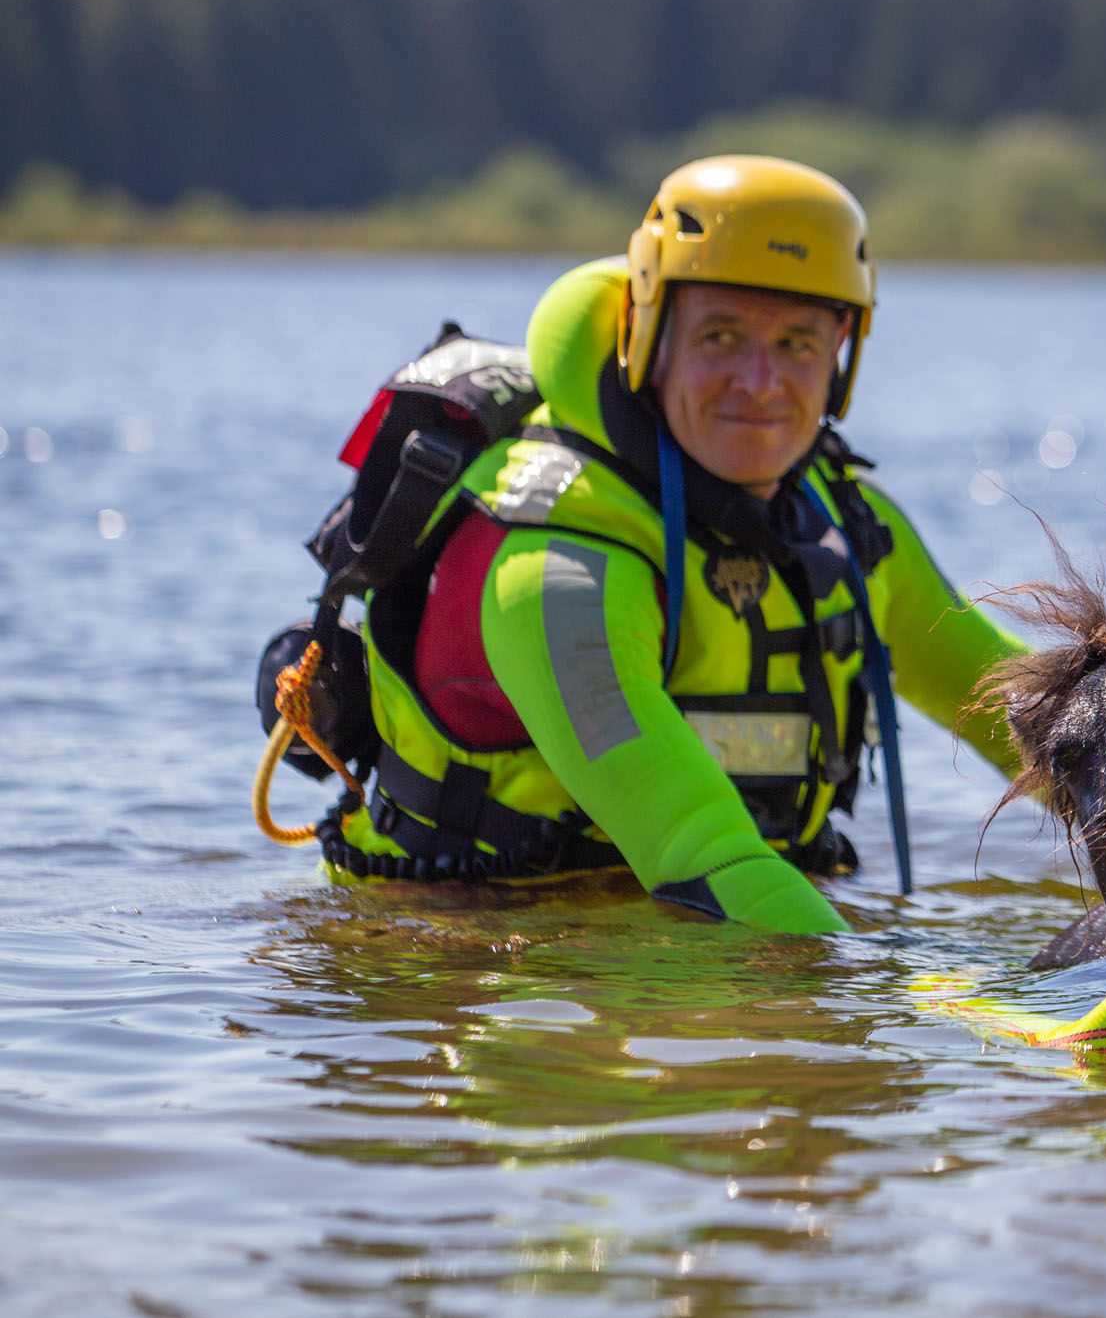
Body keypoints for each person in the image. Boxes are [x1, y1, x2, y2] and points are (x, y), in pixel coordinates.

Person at [295, 156, 1022, 931]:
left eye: (797, 343)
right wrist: (911, 988)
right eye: (720, 336)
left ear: (844, 348)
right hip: (471, 955)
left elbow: (1035, 721)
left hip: (727, 936)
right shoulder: (554, 565)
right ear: (645, 334)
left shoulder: (850, 525)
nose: (759, 381)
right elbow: (699, 853)